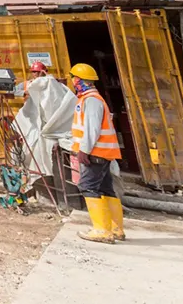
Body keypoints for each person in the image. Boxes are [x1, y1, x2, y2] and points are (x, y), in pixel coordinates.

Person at [69, 63, 124, 244]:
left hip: (96, 152)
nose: (72, 82)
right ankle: (116, 229)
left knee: (88, 186)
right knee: (106, 188)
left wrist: (84, 150)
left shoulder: (91, 101)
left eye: (73, 79)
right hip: (103, 151)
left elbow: (91, 128)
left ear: (79, 80)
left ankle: (102, 230)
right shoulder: (91, 98)